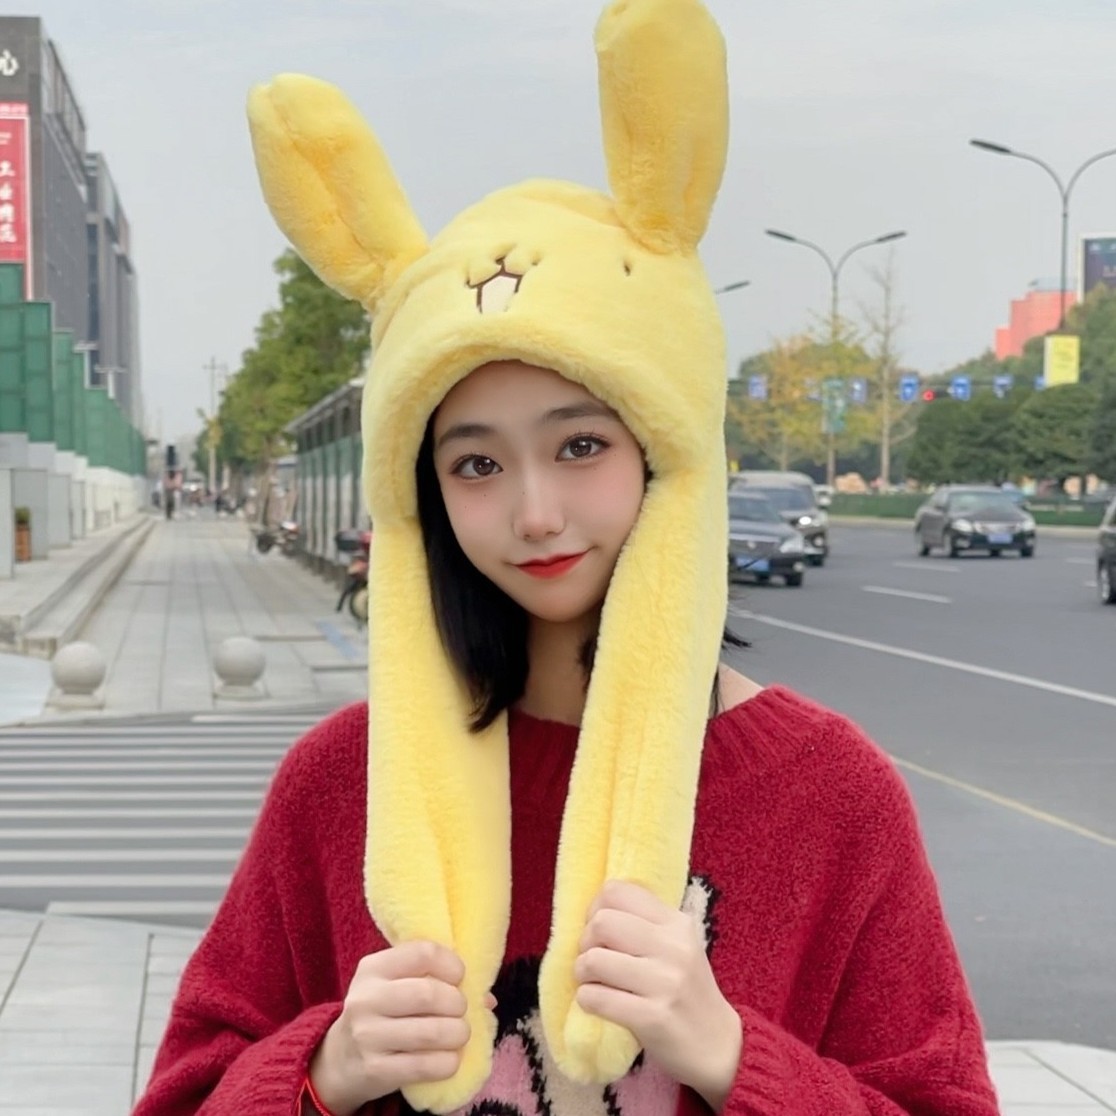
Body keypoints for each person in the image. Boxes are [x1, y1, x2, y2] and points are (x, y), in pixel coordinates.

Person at [133, 2, 1000, 1114]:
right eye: (475, 464)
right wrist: (326, 1066)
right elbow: (185, 1092)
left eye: (581, 445)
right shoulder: (340, 785)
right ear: (424, 496)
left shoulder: (828, 795)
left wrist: (735, 1056)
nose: (535, 513)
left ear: (668, 452)